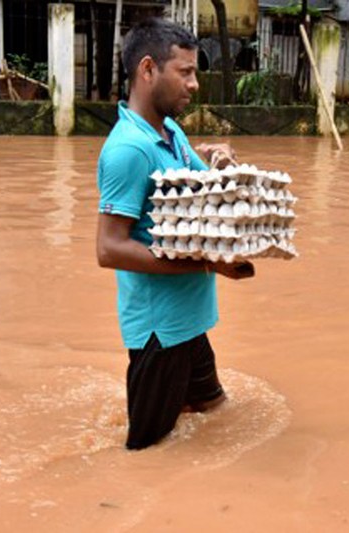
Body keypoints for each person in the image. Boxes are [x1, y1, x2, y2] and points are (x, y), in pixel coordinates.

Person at [95, 18, 254, 450]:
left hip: (187, 322)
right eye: (185, 72)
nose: (195, 84)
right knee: (147, 454)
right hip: (159, 333)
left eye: (194, 72)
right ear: (148, 70)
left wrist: (222, 163)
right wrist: (206, 262)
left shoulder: (170, 132)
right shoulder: (129, 149)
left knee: (217, 415)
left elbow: (205, 195)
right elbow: (109, 249)